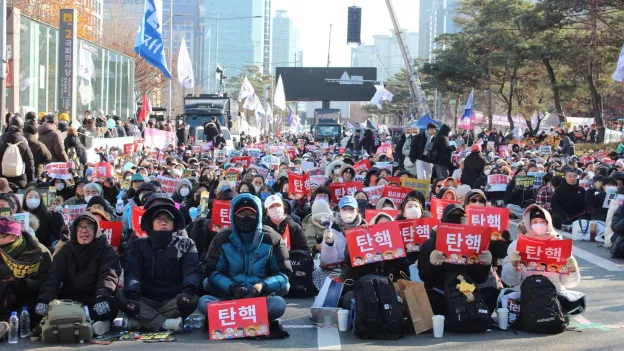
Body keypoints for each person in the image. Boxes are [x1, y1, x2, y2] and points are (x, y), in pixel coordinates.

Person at [198, 194, 291, 335]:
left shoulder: (272, 239)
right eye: (241, 214)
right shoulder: (222, 239)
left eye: (251, 214)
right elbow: (212, 272)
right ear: (233, 216)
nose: (246, 217)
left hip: (259, 297)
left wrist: (261, 286)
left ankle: (225, 319)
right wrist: (232, 287)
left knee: (279, 302)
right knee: (204, 297)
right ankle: (256, 319)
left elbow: (283, 273)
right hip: (230, 296)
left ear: (258, 215)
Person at [117, 203, 202, 332]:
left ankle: (142, 320)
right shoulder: (137, 245)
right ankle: (165, 323)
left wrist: (188, 291)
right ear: (151, 223)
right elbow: (133, 272)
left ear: (174, 224)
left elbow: (192, 270)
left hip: (173, 300)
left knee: (193, 298)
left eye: (167, 220)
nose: (163, 223)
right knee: (119, 294)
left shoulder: (186, 244)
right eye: (159, 220)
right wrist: (133, 295)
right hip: (144, 299)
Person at [36, 212, 121, 336]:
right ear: (74, 230)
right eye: (80, 227)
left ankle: (95, 322)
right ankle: (84, 321)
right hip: (69, 300)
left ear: (96, 230)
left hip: (95, 299)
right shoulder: (66, 250)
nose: (84, 231)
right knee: (43, 307)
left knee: (112, 303)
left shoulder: (106, 250)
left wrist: (102, 297)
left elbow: (108, 275)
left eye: (89, 227)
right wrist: (44, 300)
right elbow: (53, 276)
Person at [418, 204, 494, 314]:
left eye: (461, 217)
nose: (457, 220)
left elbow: (480, 279)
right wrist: (432, 263)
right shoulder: (430, 244)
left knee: (490, 294)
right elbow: (424, 277)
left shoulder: (474, 244)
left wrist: (485, 264)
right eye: (452, 216)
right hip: (440, 293)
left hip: (467, 292)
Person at [502, 205, 580, 290]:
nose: (539, 225)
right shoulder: (517, 245)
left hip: (554, 293)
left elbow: (569, 284)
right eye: (535, 222)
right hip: (525, 293)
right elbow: (509, 281)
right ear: (528, 224)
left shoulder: (559, 246)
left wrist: (572, 270)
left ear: (548, 223)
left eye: (542, 222)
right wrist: (513, 266)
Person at [0, 216, 52, 324]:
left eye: (3, 236)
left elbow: (47, 281)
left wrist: (17, 281)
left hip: (30, 298)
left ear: (16, 235)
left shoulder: (37, 252)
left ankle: (7, 325)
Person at [0, 116, 35, 188]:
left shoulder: (2, 139)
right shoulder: (23, 141)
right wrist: (30, 180)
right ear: (21, 127)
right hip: (20, 179)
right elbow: (30, 163)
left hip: (3, 179)